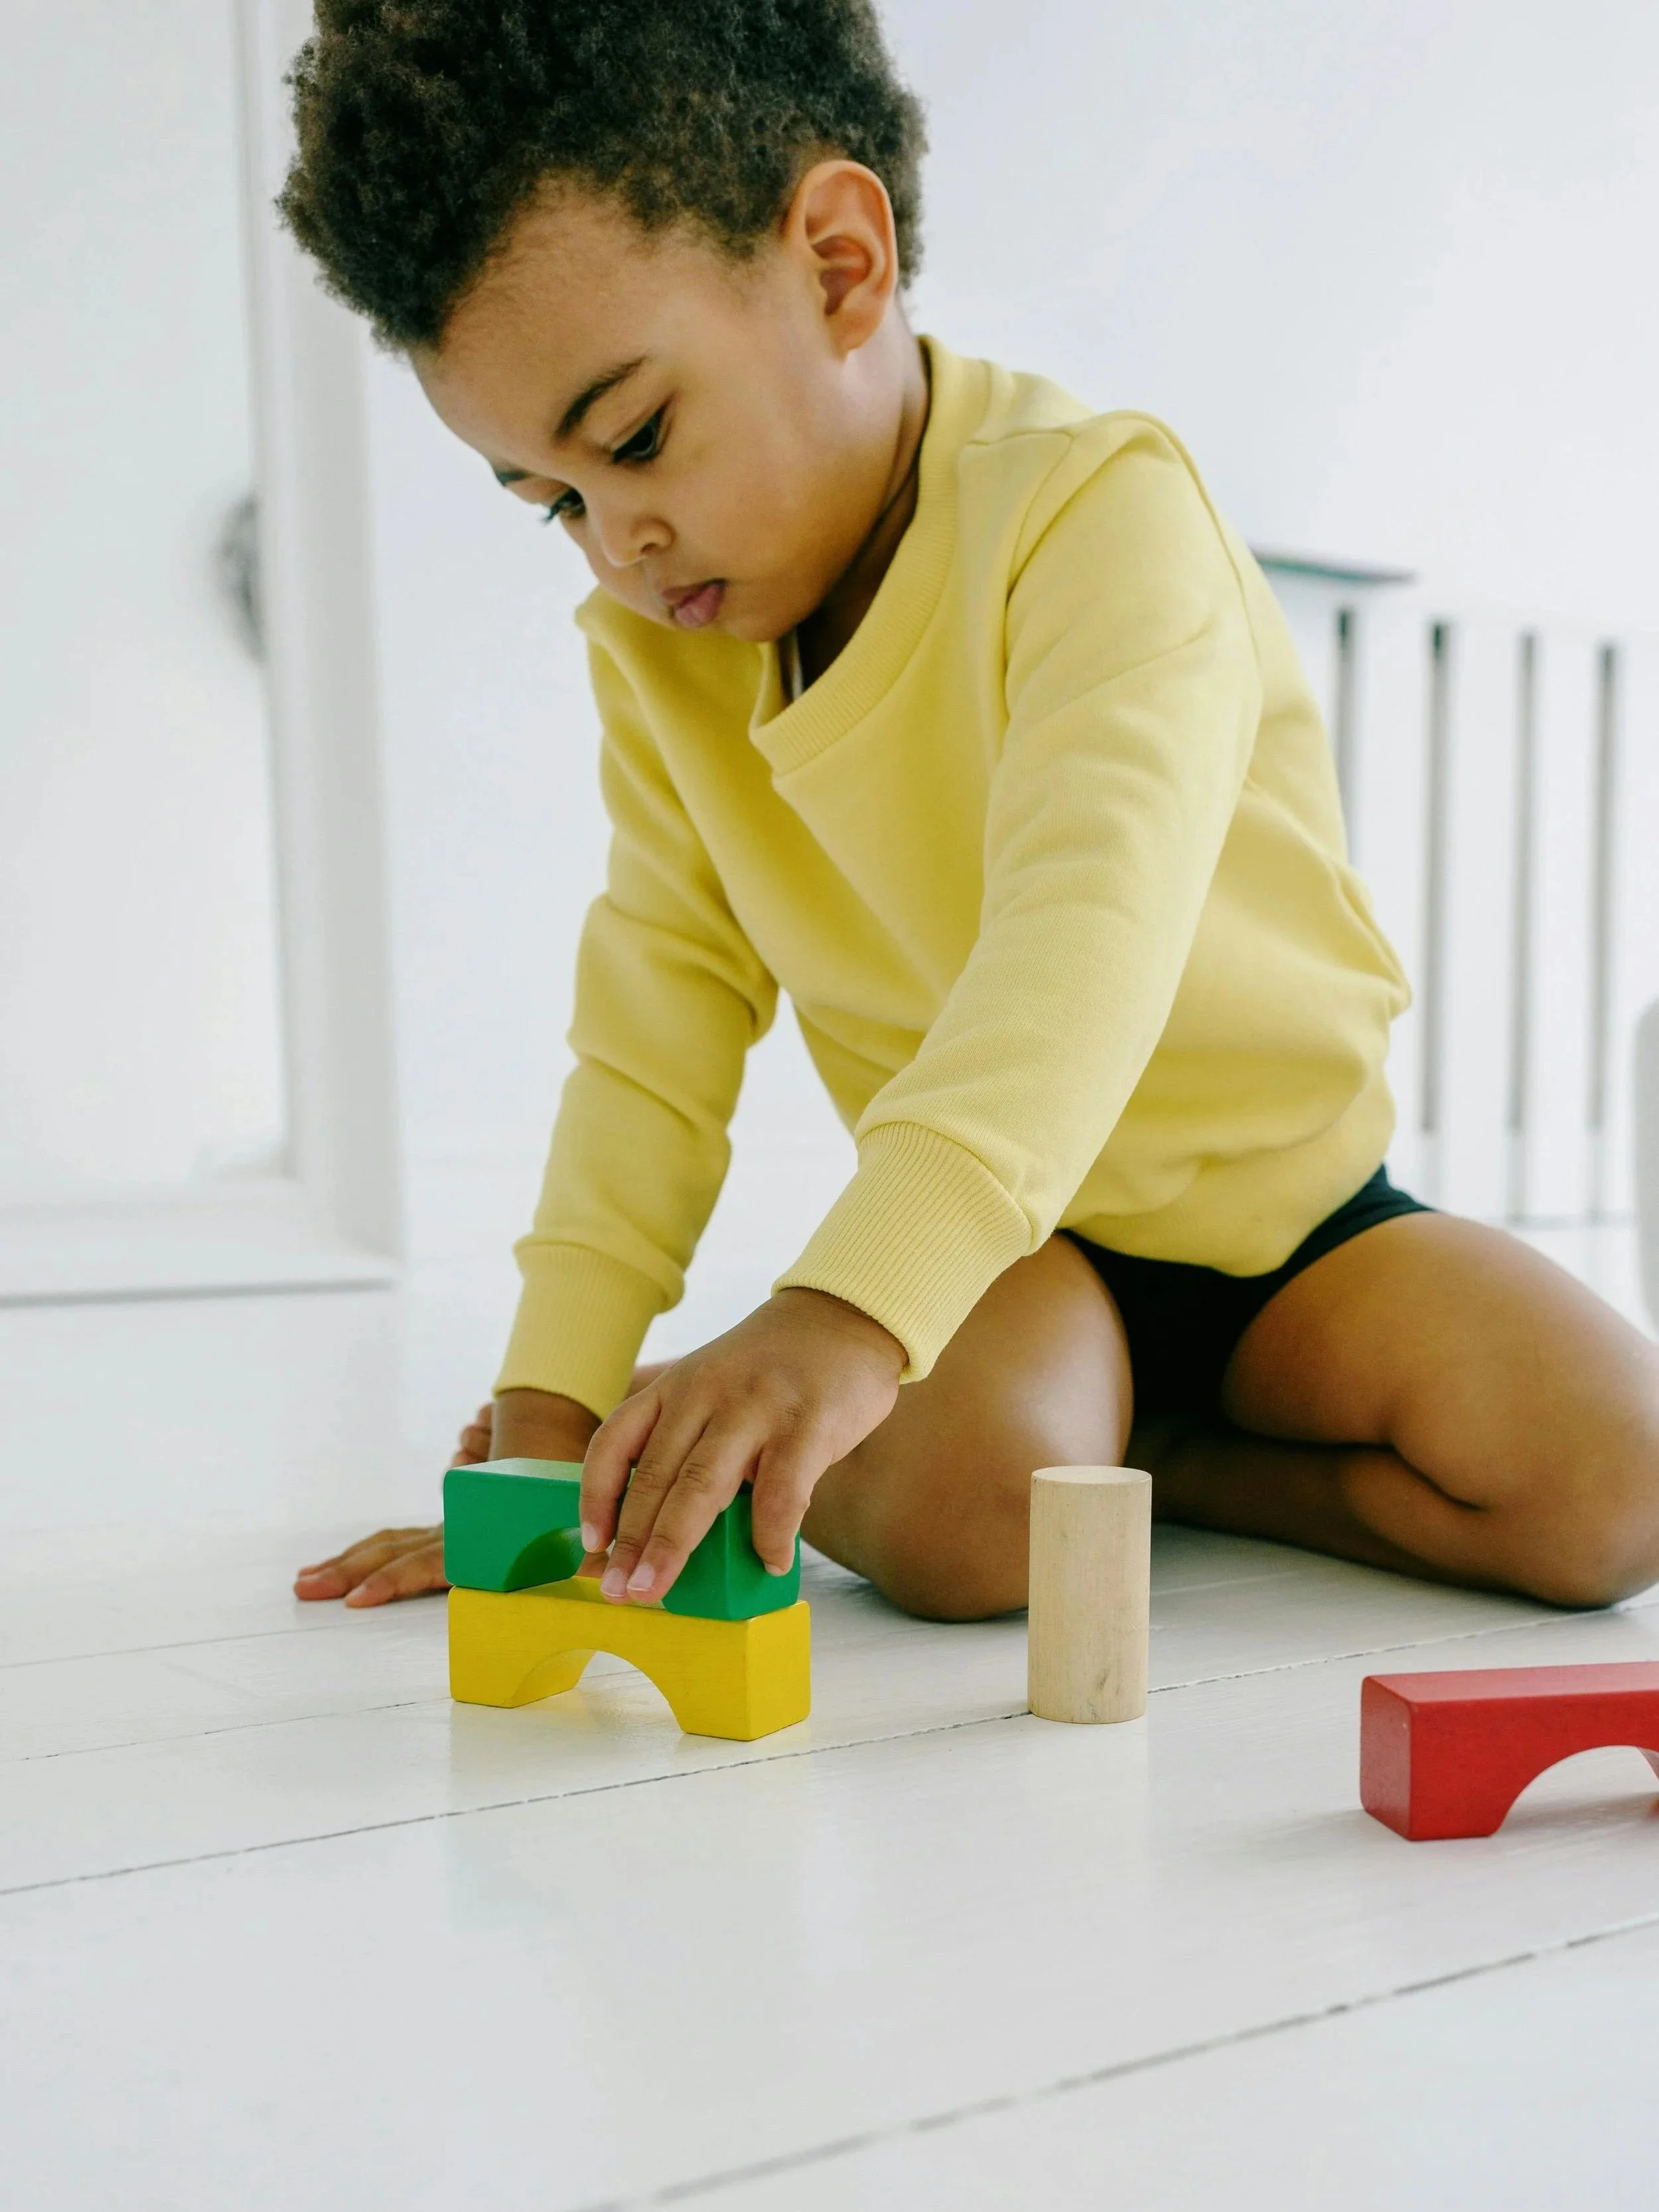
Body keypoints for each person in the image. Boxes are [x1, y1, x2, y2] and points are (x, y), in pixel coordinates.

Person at [287, 0, 1659, 1623]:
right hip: (1006, 1269)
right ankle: (986, 1443)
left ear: (838, 264)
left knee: (1614, 1490)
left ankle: (1159, 1464)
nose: (619, 546)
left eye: (637, 439)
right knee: (962, 1532)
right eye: (557, 502)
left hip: (1287, 1229)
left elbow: (1078, 949)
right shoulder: (661, 664)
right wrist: (543, 1435)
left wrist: (848, 1316)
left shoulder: (1098, 515)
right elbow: (647, 1043)